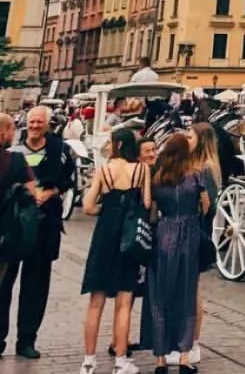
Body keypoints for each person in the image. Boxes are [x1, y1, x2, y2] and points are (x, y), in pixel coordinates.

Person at [0, 105, 75, 359]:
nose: (34, 126)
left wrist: (51, 193)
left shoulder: (61, 151)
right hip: (13, 226)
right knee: (3, 285)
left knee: (35, 286)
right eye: (31, 122)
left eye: (38, 122)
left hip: (43, 227)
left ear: (48, 123)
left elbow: (68, 181)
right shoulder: (13, 152)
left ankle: (27, 340)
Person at [80, 126, 152, 374]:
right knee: (124, 302)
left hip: (105, 235)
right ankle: (121, 361)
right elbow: (146, 203)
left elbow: (88, 206)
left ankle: (89, 361)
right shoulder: (142, 170)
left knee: (95, 302)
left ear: (118, 145)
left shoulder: (104, 170)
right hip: (128, 237)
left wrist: (106, 210)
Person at [140, 132, 209, 372]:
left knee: (160, 298)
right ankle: (183, 357)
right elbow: (206, 205)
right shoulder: (195, 177)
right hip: (189, 235)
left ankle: (160, 359)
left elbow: (152, 212)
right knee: (186, 296)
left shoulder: (158, 178)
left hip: (164, 233)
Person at [184, 124, 221, 367]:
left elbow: (207, 207)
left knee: (194, 291)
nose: (187, 139)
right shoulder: (202, 167)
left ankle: (193, 342)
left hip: (196, 231)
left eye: (190, 136)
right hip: (193, 230)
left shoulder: (206, 169)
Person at [0, 114, 33, 286]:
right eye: (12, 129)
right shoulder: (16, 160)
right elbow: (32, 193)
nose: (14, 134)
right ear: (3, 133)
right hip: (4, 234)